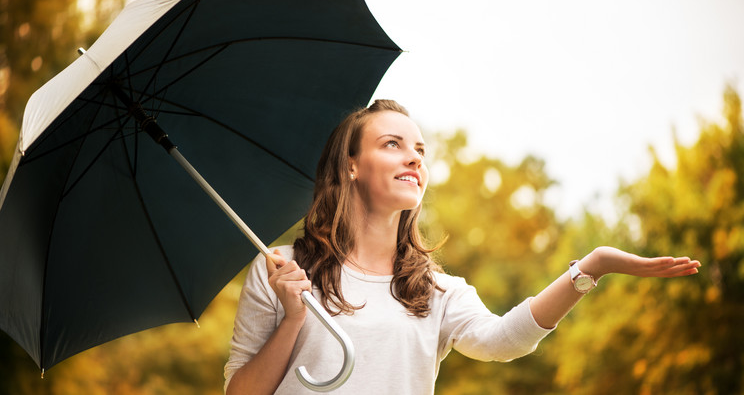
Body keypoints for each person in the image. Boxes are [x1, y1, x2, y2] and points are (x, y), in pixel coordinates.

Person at [223, 100, 700, 394]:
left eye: (420, 150)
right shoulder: (282, 268)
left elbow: (502, 343)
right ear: (351, 166)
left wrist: (591, 266)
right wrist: (294, 319)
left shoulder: (431, 289)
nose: (414, 156)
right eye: (392, 144)